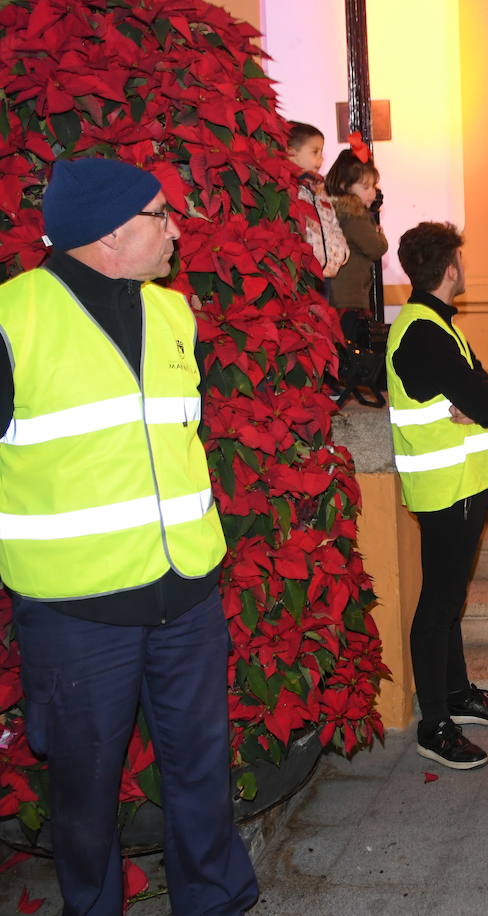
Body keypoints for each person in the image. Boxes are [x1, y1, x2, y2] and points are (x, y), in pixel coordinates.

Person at [1, 157, 258, 914]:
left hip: (185, 598)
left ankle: (215, 901)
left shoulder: (173, 313)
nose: (176, 229)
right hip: (78, 612)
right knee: (83, 793)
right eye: (160, 214)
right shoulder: (13, 319)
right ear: (110, 234)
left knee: (203, 771)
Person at [385, 221, 488, 770]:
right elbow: (487, 402)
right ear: (449, 270)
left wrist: (484, 393)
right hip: (448, 489)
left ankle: (458, 693)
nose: (465, 270)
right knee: (437, 605)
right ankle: (434, 723)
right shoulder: (423, 331)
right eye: (461, 262)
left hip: (461, 485)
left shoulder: (434, 322)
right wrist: (483, 395)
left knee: (452, 599)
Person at [325, 140, 387, 354]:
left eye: (373, 186)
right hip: (349, 297)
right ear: (344, 186)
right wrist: (380, 234)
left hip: (337, 295)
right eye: (365, 187)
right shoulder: (355, 214)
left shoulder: (335, 210)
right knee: (349, 349)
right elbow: (376, 248)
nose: (372, 193)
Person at [286, 121, 348, 284]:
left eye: (322, 153)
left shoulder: (321, 192)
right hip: (301, 275)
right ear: (291, 153)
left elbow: (334, 225)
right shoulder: (288, 191)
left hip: (326, 275)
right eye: (315, 152)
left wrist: (341, 252)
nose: (320, 160)